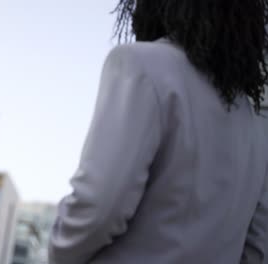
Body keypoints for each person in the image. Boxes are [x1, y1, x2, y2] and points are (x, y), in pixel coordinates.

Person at [49, 0, 268, 263]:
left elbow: (98, 207)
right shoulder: (253, 115)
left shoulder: (140, 65)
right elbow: (258, 240)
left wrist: (59, 255)